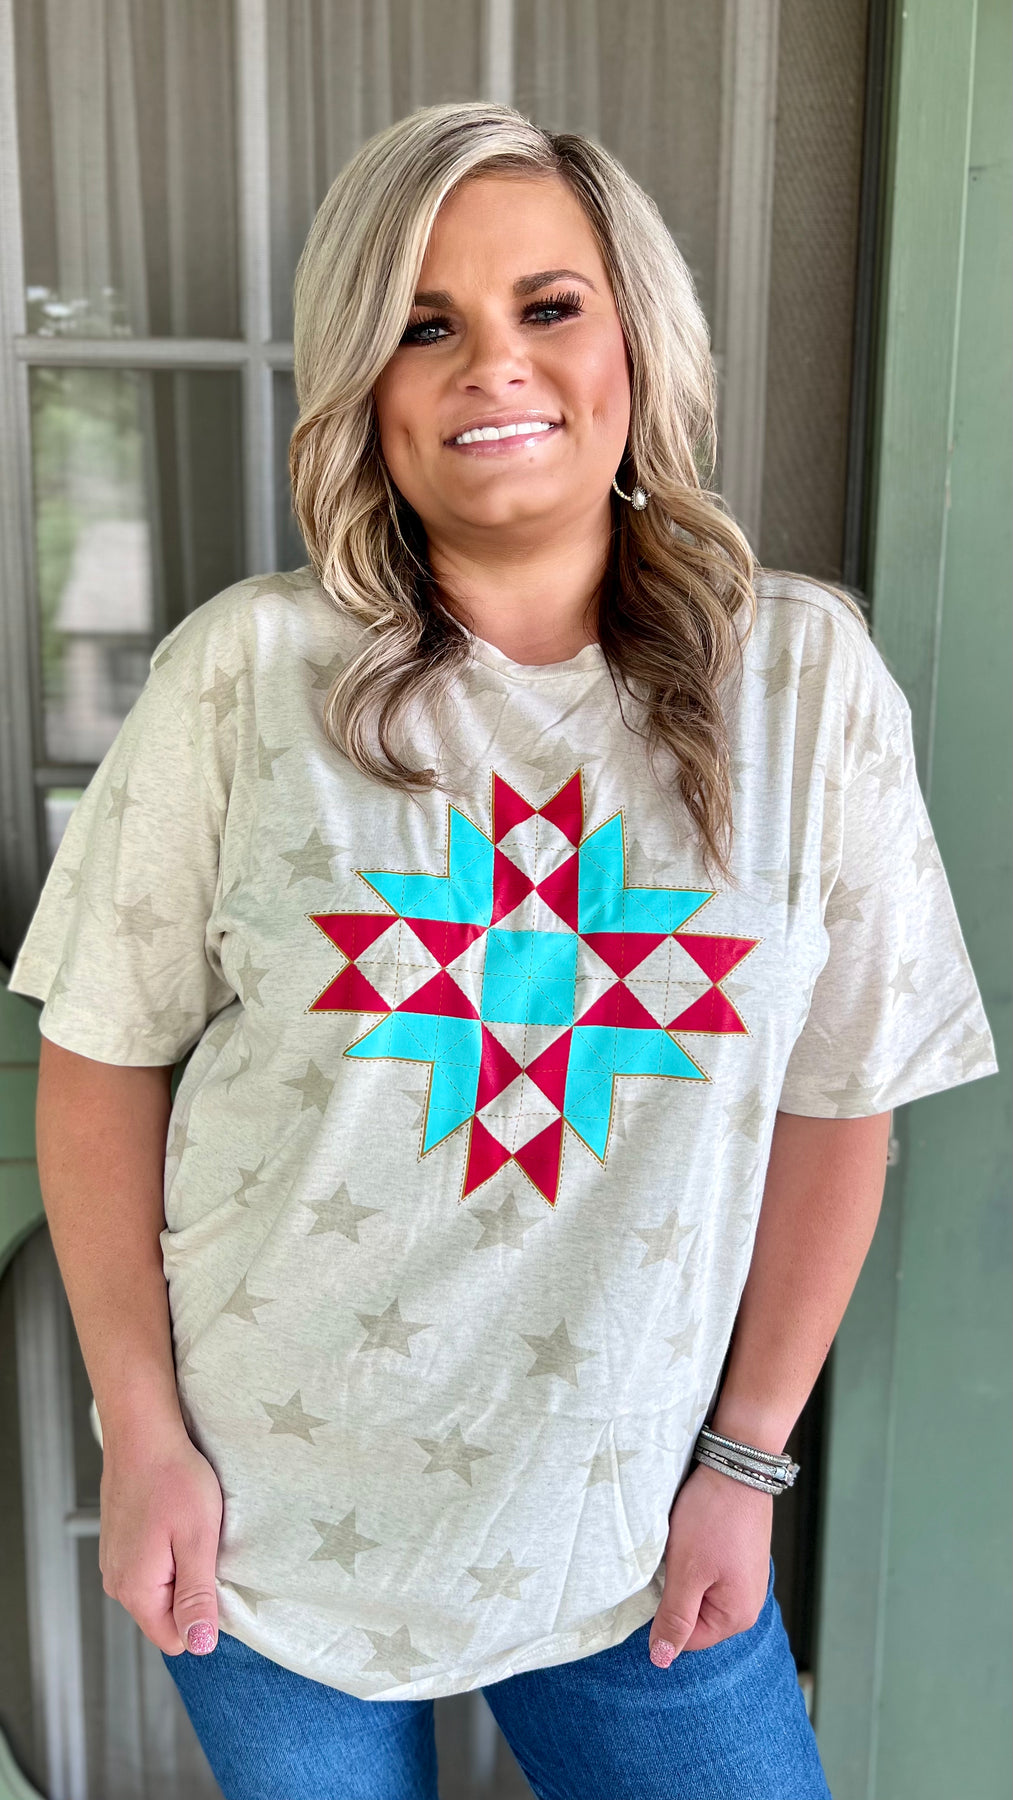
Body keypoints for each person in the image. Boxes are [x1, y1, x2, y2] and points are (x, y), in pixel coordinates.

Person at [8, 101, 997, 1800]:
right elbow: (99, 1054)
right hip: (268, 1525)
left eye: (548, 305)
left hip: (631, 1523)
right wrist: (146, 1435)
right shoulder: (242, 676)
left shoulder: (803, 685)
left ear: (635, 343)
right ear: (364, 383)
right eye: (424, 324)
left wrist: (745, 1464)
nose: (493, 366)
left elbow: (843, 1102)